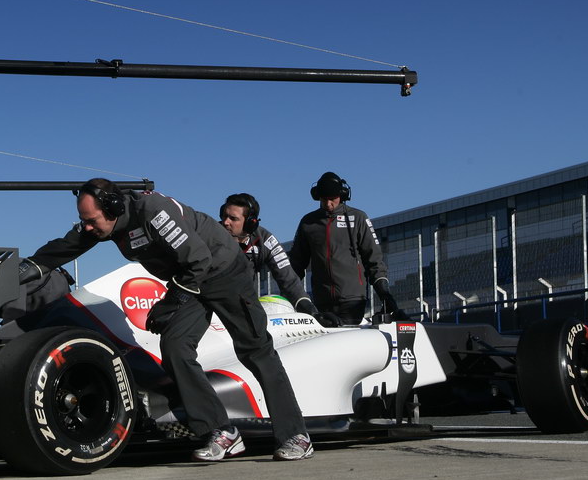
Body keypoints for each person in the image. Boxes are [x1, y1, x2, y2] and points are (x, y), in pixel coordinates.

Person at [27, 178, 314, 462]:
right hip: (191, 280)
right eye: (84, 220)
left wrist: (172, 301)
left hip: (224, 272)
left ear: (112, 207)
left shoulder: (152, 210)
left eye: (91, 220)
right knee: (176, 349)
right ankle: (222, 432)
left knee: (255, 350)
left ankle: (296, 436)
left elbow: (198, 259)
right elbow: (66, 246)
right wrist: (29, 267)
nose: (87, 226)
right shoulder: (105, 223)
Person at [290, 171, 405, 326]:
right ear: (317, 196)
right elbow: (296, 265)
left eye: (333, 199)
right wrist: (293, 297)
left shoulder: (358, 218)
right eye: (324, 199)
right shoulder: (308, 223)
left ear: (343, 195)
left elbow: (374, 260)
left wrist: (384, 293)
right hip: (321, 302)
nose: (329, 204)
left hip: (353, 300)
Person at [220, 193, 319, 318]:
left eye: (233, 219)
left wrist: (307, 306)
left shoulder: (265, 240)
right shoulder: (212, 236)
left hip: (245, 310)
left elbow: (288, 279)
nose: (225, 222)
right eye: (224, 216)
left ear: (250, 223)